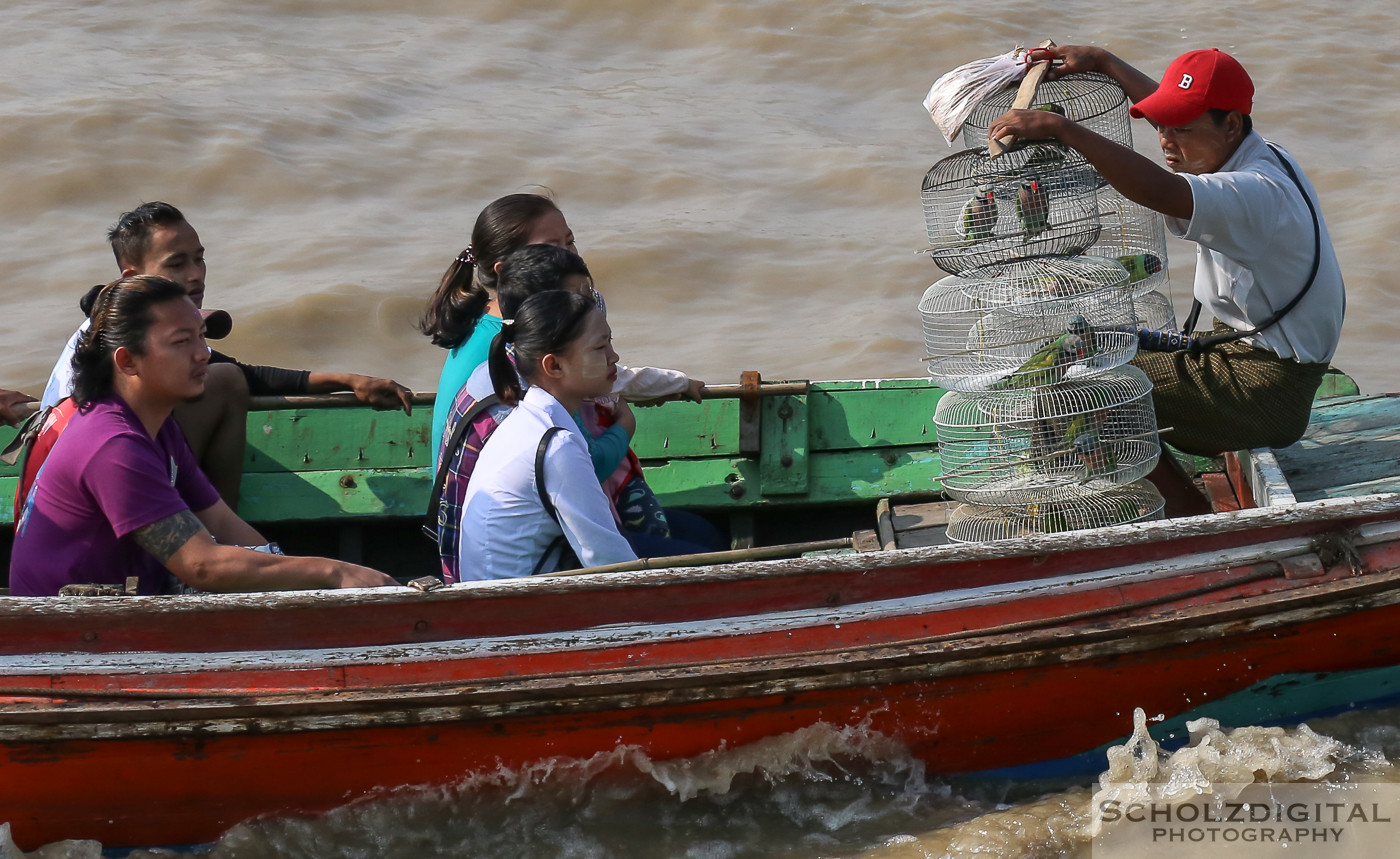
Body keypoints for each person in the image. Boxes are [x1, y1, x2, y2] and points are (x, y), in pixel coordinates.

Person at [988, 47, 1345, 456]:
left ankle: (1057, 493)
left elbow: (1163, 191)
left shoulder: (1253, 191)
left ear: (1230, 124)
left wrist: (1066, 130)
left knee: (1086, 379)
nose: (1165, 141)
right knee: (1091, 343)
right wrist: (1105, 62)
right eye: (1162, 126)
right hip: (1240, 353)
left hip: (1265, 389)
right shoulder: (1261, 151)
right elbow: (1179, 114)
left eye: (1182, 131)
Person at [10, 276, 399, 596]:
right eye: (182, 342)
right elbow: (200, 566)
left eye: (201, 337)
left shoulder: (157, 424)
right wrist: (332, 573)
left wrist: (292, 575)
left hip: (114, 609)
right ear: (127, 360)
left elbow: (225, 524)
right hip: (67, 639)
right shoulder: (113, 444)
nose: (202, 355)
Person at [42, 202, 414, 508]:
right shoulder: (119, 338)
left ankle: (216, 528)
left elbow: (242, 373)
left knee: (224, 380)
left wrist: (347, 381)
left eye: (199, 259)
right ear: (131, 276)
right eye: (176, 264)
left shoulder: (157, 329)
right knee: (222, 386)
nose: (195, 275)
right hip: (89, 483)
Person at [421, 192, 705, 462]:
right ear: (507, 269)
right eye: (550, 248)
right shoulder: (511, 342)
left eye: (570, 242)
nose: (571, 256)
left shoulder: (496, 317)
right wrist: (624, 422)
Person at [458, 290, 637, 579]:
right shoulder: (557, 446)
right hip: (515, 611)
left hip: (493, 596)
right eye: (600, 346)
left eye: (610, 342)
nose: (613, 356)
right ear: (554, 365)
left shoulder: (527, 418)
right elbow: (611, 564)